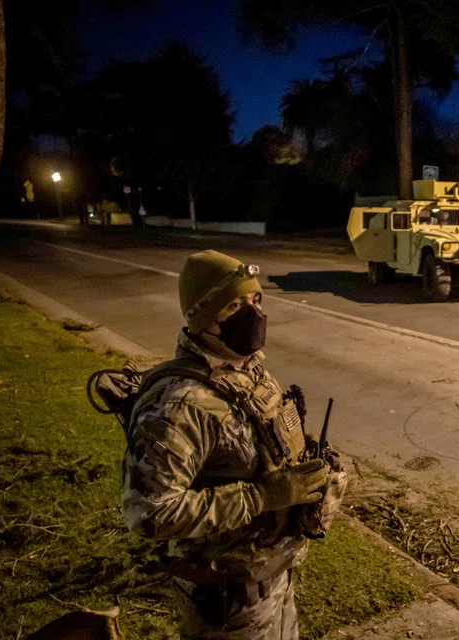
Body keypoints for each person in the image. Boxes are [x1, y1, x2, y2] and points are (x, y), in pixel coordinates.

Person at [121, 249, 330, 640]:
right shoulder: (178, 404)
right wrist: (261, 497)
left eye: (255, 301)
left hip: (273, 581)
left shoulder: (245, 369)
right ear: (203, 319)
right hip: (227, 604)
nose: (251, 314)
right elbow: (147, 513)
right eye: (233, 305)